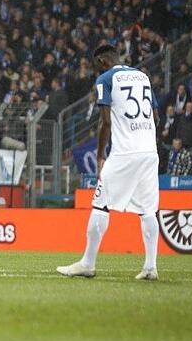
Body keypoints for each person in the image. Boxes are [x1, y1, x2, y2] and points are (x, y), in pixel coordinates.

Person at [57, 44, 160, 281]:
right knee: (147, 210)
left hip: (124, 153)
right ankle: (150, 267)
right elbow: (156, 116)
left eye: (96, 66)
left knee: (100, 204)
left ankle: (87, 263)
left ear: (102, 61)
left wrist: (101, 155)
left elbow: (105, 122)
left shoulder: (106, 78)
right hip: (149, 151)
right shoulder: (142, 76)